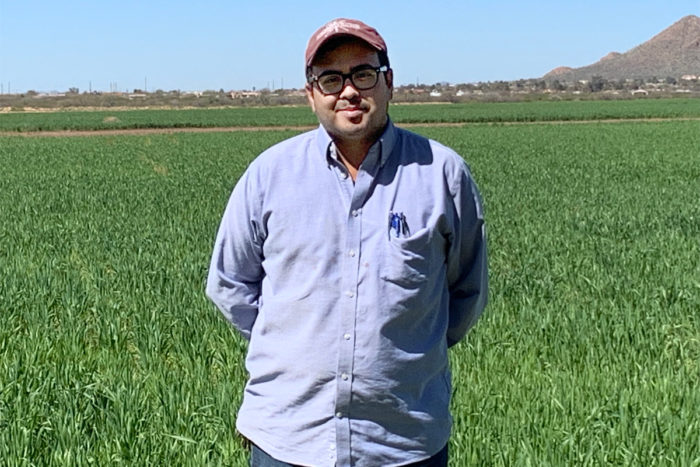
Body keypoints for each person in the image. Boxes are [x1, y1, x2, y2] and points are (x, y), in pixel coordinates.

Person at [206, 17, 488, 467]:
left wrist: (404, 353)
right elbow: (229, 284)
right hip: (288, 438)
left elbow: (466, 291)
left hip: (404, 440)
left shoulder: (442, 175)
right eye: (331, 78)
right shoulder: (269, 175)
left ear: (389, 82)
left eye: (363, 73)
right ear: (311, 94)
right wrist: (291, 346)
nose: (349, 91)